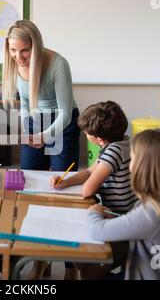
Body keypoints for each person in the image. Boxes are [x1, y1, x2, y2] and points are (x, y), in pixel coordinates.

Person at [2, 19, 81, 279]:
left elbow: (66, 114)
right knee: (29, 189)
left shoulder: (58, 64)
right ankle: (39, 260)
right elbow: (25, 102)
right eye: (13, 51)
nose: (19, 57)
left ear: (36, 45)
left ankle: (70, 266)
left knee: (63, 192)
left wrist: (45, 136)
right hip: (37, 123)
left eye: (24, 50)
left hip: (62, 124)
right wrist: (27, 128)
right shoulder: (15, 65)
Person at [87, 128, 160, 279]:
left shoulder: (152, 212)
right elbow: (147, 227)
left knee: (90, 268)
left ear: (142, 167)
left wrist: (94, 211)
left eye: (131, 158)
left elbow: (97, 230)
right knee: (91, 267)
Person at [50, 101, 137, 279]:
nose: (84, 134)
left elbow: (88, 190)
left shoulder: (112, 152)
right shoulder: (124, 143)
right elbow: (90, 171)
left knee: (85, 266)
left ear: (99, 139)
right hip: (126, 216)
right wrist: (65, 181)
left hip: (124, 223)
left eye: (87, 133)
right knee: (80, 255)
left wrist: (78, 184)